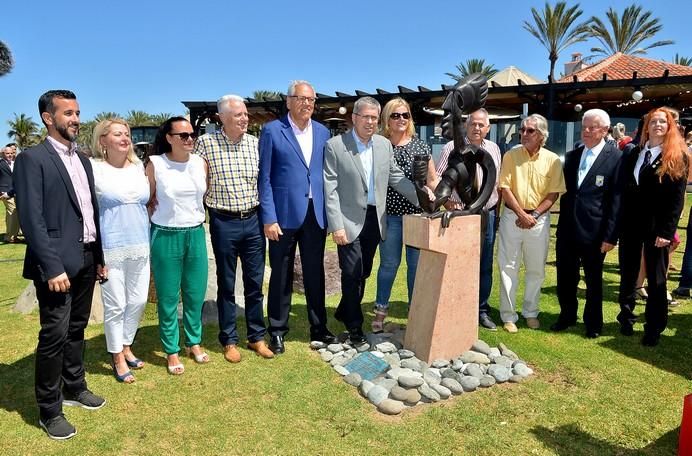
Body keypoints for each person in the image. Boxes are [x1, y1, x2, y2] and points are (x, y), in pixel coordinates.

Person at [14, 90, 106, 440]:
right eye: (68, 113)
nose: (76, 119)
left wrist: (98, 259)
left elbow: (90, 215)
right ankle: (49, 410)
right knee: (54, 335)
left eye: (78, 112)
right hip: (55, 266)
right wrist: (52, 267)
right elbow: (31, 219)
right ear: (48, 118)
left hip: (85, 258)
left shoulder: (82, 159)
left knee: (77, 329)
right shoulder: (31, 159)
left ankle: (74, 387)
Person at [324, 96, 419, 345]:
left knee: (364, 271)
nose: (369, 122)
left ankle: (346, 308)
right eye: (365, 117)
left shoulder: (383, 145)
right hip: (348, 219)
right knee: (352, 271)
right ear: (354, 118)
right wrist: (336, 225)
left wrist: (423, 197)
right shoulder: (336, 146)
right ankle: (355, 327)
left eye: (374, 118)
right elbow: (330, 188)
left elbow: (396, 177)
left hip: (375, 220)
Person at [258, 81, 336, 354]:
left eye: (311, 100)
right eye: (301, 99)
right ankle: (277, 330)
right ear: (288, 101)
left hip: (315, 214)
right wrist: (268, 217)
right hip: (283, 215)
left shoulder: (323, 132)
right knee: (280, 274)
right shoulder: (271, 131)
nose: (307, 104)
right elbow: (264, 178)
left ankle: (319, 327)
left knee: (315, 273)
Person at [195, 95, 274, 362]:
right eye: (239, 115)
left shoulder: (255, 143)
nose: (245, 119)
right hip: (223, 221)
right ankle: (229, 340)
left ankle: (257, 337)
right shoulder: (205, 143)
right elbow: (197, 180)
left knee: (255, 282)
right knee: (226, 283)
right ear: (224, 118)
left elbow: (265, 182)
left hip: (252, 220)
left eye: (245, 114)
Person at [617, 107, 688, 346]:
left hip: (657, 229)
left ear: (669, 127)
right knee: (628, 273)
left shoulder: (676, 156)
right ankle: (626, 316)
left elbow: (677, 200)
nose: (657, 125)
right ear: (645, 127)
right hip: (631, 225)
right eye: (653, 122)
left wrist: (667, 232)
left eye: (662, 122)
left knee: (657, 280)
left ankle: (654, 327)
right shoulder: (634, 152)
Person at [146, 117, 210, 374]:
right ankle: (171, 350)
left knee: (195, 293)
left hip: (195, 232)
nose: (190, 139)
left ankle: (193, 342)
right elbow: (147, 199)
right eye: (183, 135)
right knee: (169, 297)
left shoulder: (200, 163)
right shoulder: (156, 164)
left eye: (192, 134)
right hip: (165, 235)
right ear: (169, 138)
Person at [553, 109, 622, 338]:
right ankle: (567, 316)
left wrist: (611, 236)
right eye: (584, 127)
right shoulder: (572, 157)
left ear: (604, 130)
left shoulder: (616, 158)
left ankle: (593, 324)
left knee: (593, 281)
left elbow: (616, 200)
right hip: (568, 230)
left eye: (592, 127)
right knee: (565, 277)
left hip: (595, 232)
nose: (586, 131)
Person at [90, 119, 150, 383]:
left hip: (140, 244)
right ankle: (116, 355)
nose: (125, 138)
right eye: (118, 134)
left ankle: (126, 344)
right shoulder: (94, 169)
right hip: (110, 247)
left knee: (138, 301)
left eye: (126, 134)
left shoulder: (138, 168)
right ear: (103, 140)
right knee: (116, 305)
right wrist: (95, 254)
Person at [431, 108, 502, 330]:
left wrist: (493, 212)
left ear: (488, 128)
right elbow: (439, 181)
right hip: (460, 216)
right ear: (466, 125)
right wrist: (448, 204)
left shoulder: (494, 149)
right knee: (457, 263)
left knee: (484, 265)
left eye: (482, 125)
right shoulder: (451, 148)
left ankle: (481, 309)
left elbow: (495, 182)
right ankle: (455, 306)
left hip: (485, 214)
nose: (477, 128)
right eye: (473, 124)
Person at [497, 114, 565, 333]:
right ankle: (508, 315)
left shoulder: (552, 160)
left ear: (541, 135)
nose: (523, 134)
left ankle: (531, 312)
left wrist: (533, 215)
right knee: (508, 267)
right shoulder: (510, 155)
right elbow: (505, 188)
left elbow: (554, 192)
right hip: (511, 217)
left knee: (536, 269)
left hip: (538, 219)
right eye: (522, 130)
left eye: (529, 131)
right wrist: (521, 214)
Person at [372, 98, 434, 332]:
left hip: (417, 217)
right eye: (395, 115)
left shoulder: (420, 146)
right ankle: (380, 311)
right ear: (386, 119)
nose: (401, 119)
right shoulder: (379, 145)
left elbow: (432, 178)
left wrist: (440, 196)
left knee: (416, 267)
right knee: (389, 265)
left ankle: (415, 312)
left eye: (405, 115)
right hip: (390, 217)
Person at [0, 144, 20, 243]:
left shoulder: (15, 163)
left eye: (12, 153)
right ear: (3, 154)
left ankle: (11, 234)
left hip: (15, 191)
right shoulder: (0, 164)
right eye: (7, 153)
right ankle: (11, 237)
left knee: (11, 214)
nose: (10, 155)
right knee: (13, 211)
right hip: (4, 192)